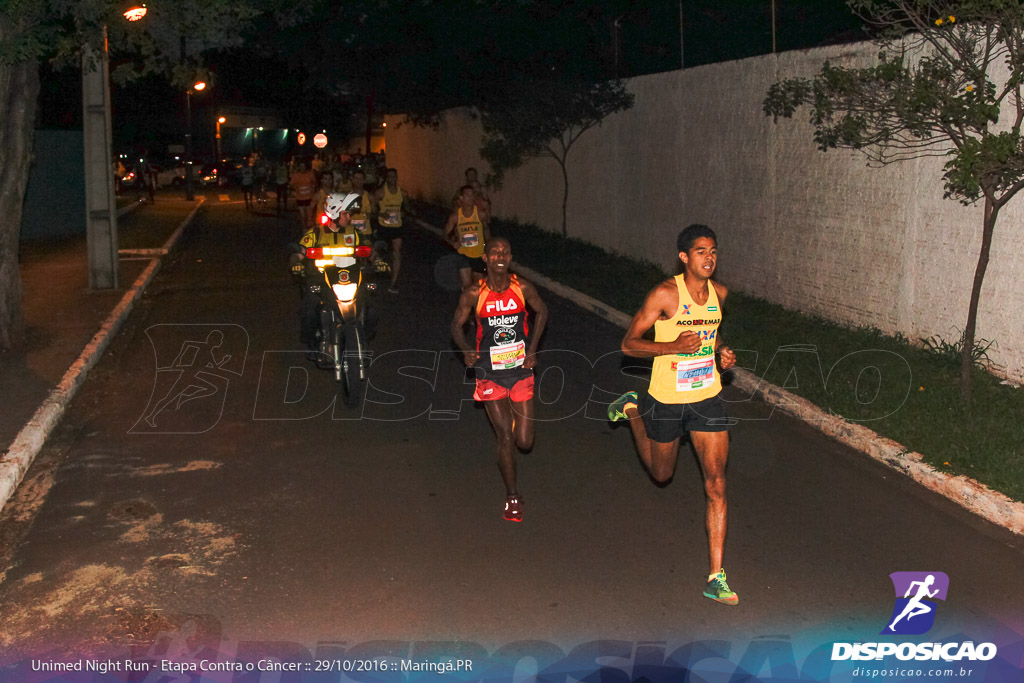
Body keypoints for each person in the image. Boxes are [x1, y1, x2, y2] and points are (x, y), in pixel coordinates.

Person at [608, 223, 740, 605]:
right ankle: (632, 409)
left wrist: (721, 354)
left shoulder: (719, 294)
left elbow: (710, 336)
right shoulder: (665, 294)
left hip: (707, 397)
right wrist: (670, 345)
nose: (709, 258)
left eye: (713, 251)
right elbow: (629, 344)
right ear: (684, 257)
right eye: (701, 251)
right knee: (661, 474)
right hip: (666, 398)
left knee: (716, 485)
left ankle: (716, 576)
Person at [451, 237, 548, 522]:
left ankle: (515, 418)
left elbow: (542, 310)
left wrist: (532, 350)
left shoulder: (523, 287)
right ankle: (512, 496)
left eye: (505, 251)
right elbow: (456, 325)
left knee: (525, 442)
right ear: (486, 258)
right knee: (505, 436)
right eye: (495, 252)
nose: (500, 256)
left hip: (519, 370)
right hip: (489, 372)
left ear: (510, 256)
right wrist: (466, 350)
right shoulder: (473, 293)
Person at [295, 192, 364, 356]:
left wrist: (377, 260)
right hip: (321, 280)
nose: (349, 217)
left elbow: (365, 251)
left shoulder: (352, 233)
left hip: (347, 280)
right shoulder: (315, 234)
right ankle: (313, 343)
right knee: (310, 309)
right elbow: (299, 253)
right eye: (345, 213)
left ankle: (361, 337)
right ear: (334, 213)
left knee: (370, 307)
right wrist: (296, 262)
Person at [444, 185, 490, 289]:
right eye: (467, 195)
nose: (470, 197)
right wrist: (453, 243)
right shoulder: (455, 216)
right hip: (463, 254)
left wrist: (488, 246)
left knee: (478, 287)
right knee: (467, 285)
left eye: (472, 195)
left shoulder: (480, 214)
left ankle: (475, 304)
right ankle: (467, 301)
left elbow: (486, 230)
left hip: (478, 254)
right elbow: (445, 234)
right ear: (461, 198)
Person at [374, 167, 410, 293]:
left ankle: (393, 283)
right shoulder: (380, 193)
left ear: (397, 177)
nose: (392, 179)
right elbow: (373, 210)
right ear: (386, 178)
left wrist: (409, 212)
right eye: (389, 177)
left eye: (394, 176)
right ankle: (374, 270)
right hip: (383, 227)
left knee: (397, 253)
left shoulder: (402, 193)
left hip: (396, 227)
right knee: (376, 252)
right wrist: (382, 214)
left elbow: (407, 207)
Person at [290, 160, 317, 231]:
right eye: (301, 166)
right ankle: (304, 230)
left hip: (309, 197)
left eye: (304, 166)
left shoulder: (310, 174)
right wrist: (294, 191)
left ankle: (310, 230)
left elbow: (315, 183)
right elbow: (291, 185)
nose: (302, 168)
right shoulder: (296, 175)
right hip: (300, 198)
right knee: (303, 216)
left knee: (309, 216)